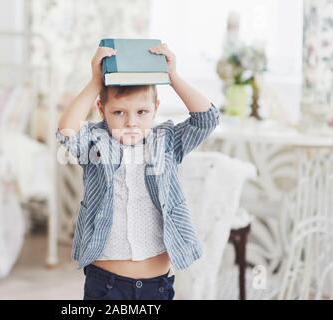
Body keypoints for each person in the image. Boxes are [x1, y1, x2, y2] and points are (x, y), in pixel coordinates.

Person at [56, 43, 220, 300]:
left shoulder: (167, 142)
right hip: (106, 284)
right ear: (102, 110)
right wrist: (95, 81)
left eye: (142, 112)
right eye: (119, 112)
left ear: (156, 107)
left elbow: (207, 118)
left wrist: (173, 77)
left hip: (157, 286)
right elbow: (67, 130)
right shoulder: (96, 143)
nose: (131, 122)